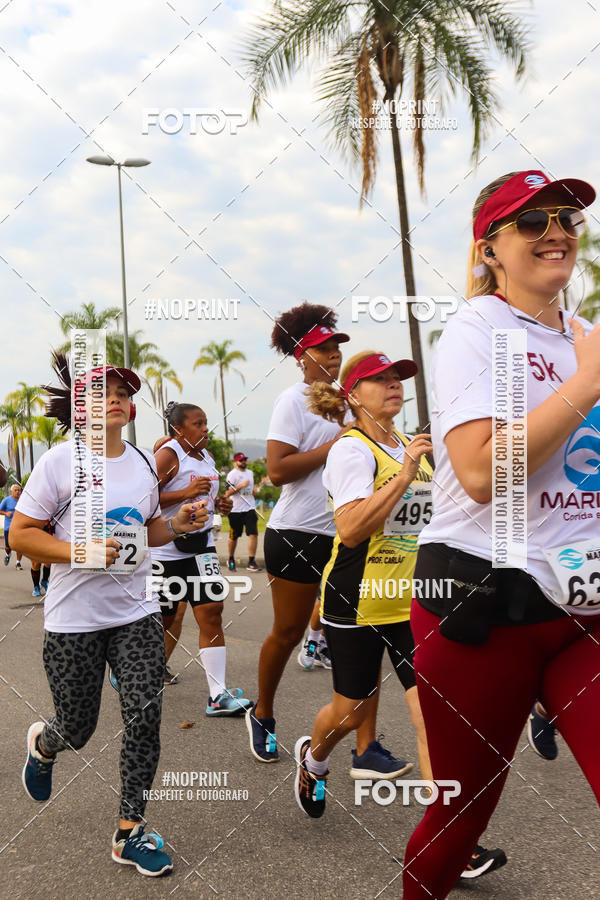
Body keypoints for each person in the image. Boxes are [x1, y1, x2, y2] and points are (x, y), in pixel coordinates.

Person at [403, 170, 600, 898]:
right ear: (490, 248)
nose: (556, 232)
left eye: (567, 220)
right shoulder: (475, 330)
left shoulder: (584, 336)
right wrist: (586, 385)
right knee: (460, 818)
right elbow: (482, 473)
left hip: (582, 609)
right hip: (482, 606)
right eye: (533, 221)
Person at [12, 353, 209, 878]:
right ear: (82, 407)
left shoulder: (144, 463)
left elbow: (148, 533)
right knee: (78, 727)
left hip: (137, 610)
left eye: (123, 391)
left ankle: (130, 831)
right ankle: (44, 743)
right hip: (75, 617)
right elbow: (21, 535)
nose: (117, 398)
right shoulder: (59, 462)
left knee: (145, 717)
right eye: (103, 392)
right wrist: (81, 550)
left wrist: (182, 522)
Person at [293, 351, 433, 816]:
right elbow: (351, 528)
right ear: (352, 395)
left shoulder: (411, 444)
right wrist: (406, 474)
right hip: (357, 599)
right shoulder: (350, 449)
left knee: (429, 715)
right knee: (351, 713)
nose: (394, 384)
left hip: (411, 603)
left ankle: (449, 834)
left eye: (398, 378)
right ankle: (314, 760)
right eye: (380, 379)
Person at [246, 303, 354, 763]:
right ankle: (264, 711)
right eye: (322, 349)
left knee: (352, 635)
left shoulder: (352, 401)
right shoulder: (292, 400)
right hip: (296, 534)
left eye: (336, 349)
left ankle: (362, 744)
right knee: (288, 631)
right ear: (300, 356)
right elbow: (277, 470)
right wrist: (338, 444)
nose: (333, 357)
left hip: (346, 533)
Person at [151, 401, 252, 715]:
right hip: (167, 550)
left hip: (203, 547)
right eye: (198, 424)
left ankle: (217, 696)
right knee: (166, 620)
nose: (205, 428)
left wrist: (219, 504)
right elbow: (143, 496)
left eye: (206, 423)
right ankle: (139, 676)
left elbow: (204, 495)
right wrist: (184, 494)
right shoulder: (169, 455)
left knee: (212, 612)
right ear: (179, 429)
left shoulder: (206, 456)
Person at [225, 453, 266, 572]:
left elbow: (250, 490)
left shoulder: (250, 473)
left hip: (249, 508)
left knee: (253, 534)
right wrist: (241, 486)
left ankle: (251, 561)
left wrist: (254, 491)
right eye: (241, 460)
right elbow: (227, 493)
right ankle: (231, 559)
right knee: (234, 536)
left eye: (245, 460)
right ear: (235, 462)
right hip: (235, 510)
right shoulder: (232, 475)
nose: (243, 461)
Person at [1, 483, 24, 568]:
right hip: (8, 527)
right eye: (16, 490)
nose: (18, 492)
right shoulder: (6, 500)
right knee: (7, 547)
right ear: (11, 492)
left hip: (20, 527)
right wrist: (6, 513)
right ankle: (8, 554)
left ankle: (18, 563)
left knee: (19, 546)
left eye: (19, 490)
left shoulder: (23, 501)